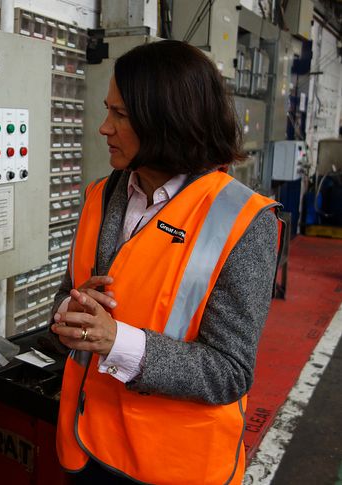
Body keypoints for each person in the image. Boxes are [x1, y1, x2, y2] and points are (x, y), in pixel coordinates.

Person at [51, 40, 282, 484]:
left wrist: (117, 341)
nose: (104, 127)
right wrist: (67, 318)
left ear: (166, 121)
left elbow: (228, 372)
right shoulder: (102, 196)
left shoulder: (242, 221)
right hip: (86, 444)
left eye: (120, 115)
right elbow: (69, 298)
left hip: (172, 468)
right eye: (107, 110)